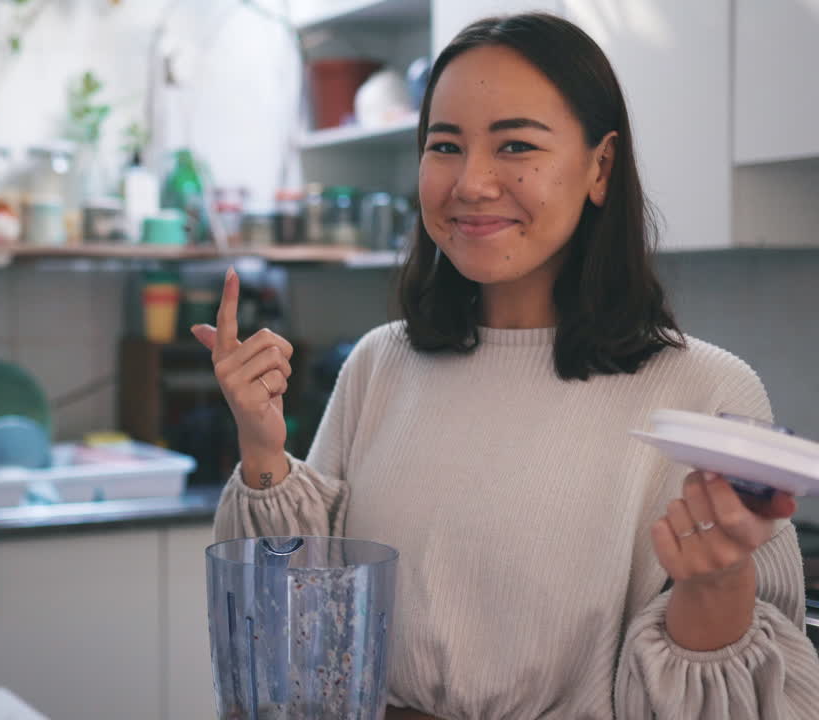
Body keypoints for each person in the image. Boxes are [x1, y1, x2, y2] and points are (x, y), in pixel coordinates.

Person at [191, 12, 819, 720]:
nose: (472, 183)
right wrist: (264, 449)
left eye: (516, 144)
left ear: (600, 168)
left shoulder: (707, 394)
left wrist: (717, 579)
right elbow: (296, 637)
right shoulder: (380, 365)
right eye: (445, 146)